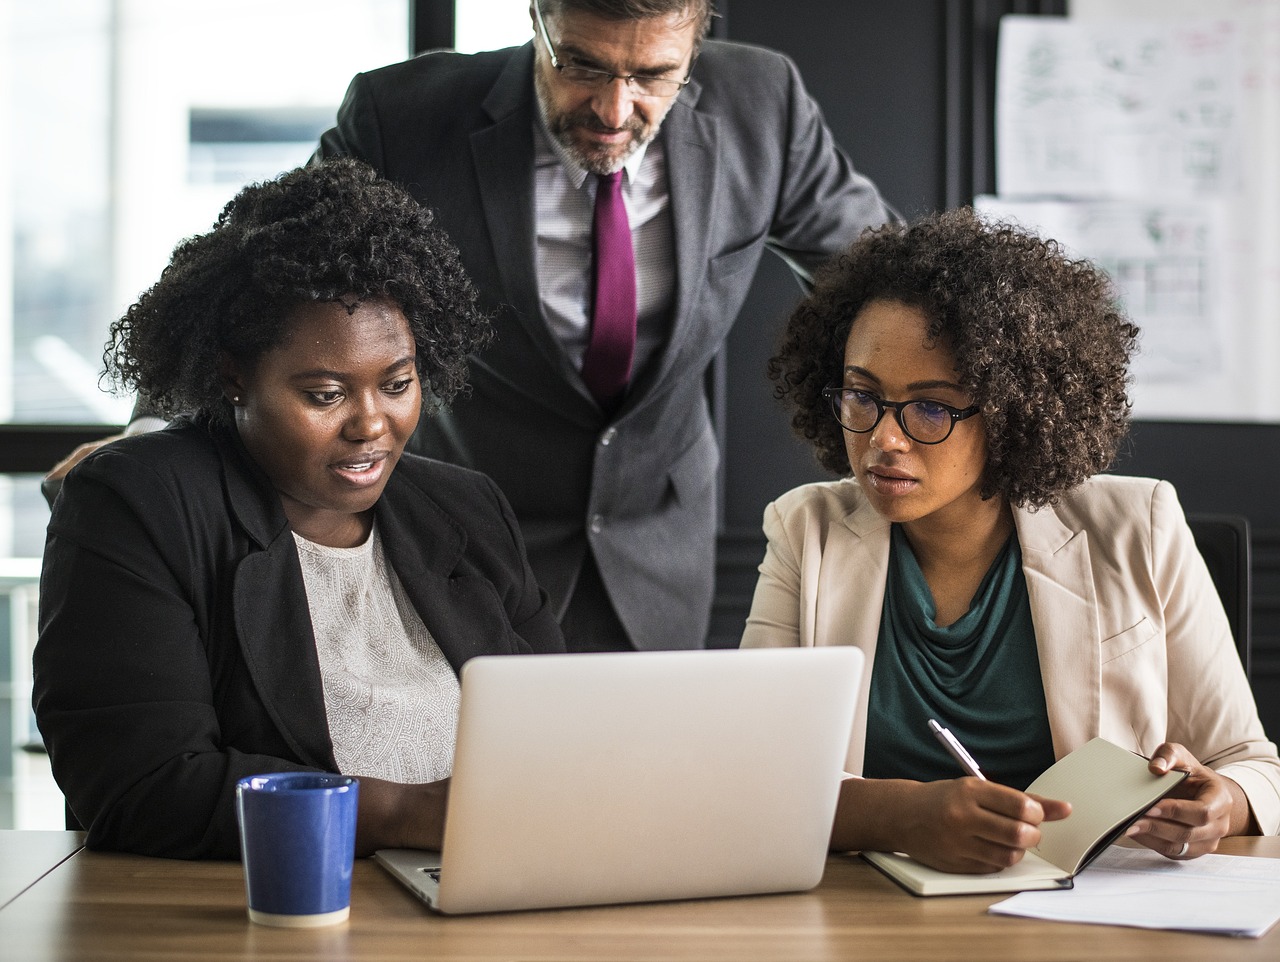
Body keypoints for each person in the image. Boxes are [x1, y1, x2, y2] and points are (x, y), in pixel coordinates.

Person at [310, 0, 895, 652]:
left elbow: (887, 282)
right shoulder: (400, 116)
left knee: (646, 751)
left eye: (653, 75)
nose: (614, 112)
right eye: (582, 66)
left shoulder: (763, 104)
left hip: (659, 540)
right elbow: (287, 294)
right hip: (462, 534)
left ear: (695, 47)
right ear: (537, 19)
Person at [32, 159, 565, 860]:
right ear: (233, 377)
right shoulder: (138, 503)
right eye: (325, 395)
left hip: (478, 897)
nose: (371, 424)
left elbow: (561, 739)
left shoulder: (465, 508)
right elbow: (143, 787)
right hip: (260, 914)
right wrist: (403, 811)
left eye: (397, 383)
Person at [741, 208, 1280, 873]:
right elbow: (751, 781)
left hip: (1094, 919)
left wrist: (1219, 804)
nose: (884, 437)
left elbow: (1252, 765)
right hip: (870, 918)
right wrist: (901, 814)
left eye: (931, 407)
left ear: (1010, 412)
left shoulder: (1140, 526)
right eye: (862, 396)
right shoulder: (805, 531)